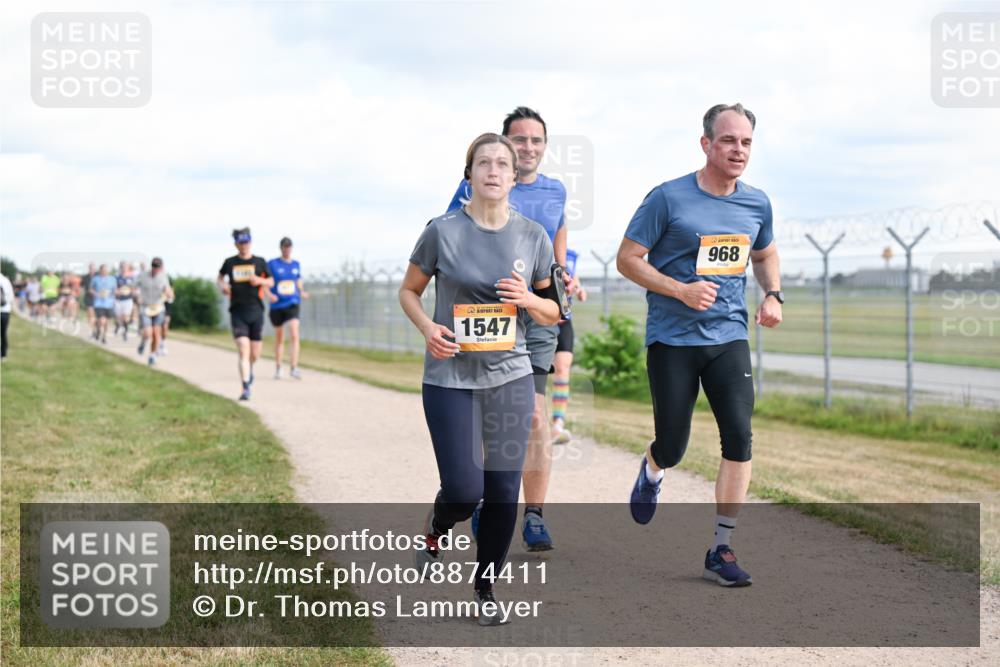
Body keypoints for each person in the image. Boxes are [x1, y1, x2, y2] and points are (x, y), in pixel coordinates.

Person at [617, 103, 783, 587]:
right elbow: (628, 259)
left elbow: (765, 252)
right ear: (706, 143)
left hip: (728, 335)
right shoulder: (667, 198)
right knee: (674, 445)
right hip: (672, 338)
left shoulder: (756, 203)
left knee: (739, 434)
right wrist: (680, 289)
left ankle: (722, 546)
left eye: (747, 142)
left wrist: (772, 292)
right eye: (729, 140)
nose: (738, 150)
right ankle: (653, 467)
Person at [400, 133, 560, 625]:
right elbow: (409, 291)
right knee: (465, 490)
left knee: (503, 489)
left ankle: (485, 585)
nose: (493, 170)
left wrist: (528, 300)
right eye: (483, 163)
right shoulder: (441, 231)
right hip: (450, 376)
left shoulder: (533, 235)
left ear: (515, 177)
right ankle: (438, 521)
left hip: (510, 374)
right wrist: (428, 327)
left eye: (502, 164)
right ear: (468, 175)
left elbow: (554, 312)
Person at [447, 106, 570, 552]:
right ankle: (488, 497)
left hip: (534, 314)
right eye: (520, 140)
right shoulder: (479, 183)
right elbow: (453, 238)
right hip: (485, 318)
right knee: (491, 417)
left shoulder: (556, 191)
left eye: (537, 140)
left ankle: (533, 514)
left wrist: (563, 280)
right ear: (504, 145)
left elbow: (557, 245)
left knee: (534, 414)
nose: (528, 148)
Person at [218, 228, 272, 400]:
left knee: (254, 354)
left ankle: (249, 370)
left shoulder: (260, 262)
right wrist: (224, 286)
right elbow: (219, 278)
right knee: (243, 349)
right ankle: (245, 386)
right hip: (238, 311)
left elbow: (271, 281)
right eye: (241, 242)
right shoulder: (230, 262)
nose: (244, 245)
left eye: (246, 242)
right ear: (236, 244)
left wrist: (260, 280)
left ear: (251, 242)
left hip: (256, 311)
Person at [551, 248, 587, 444]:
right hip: (538, 323)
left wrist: (580, 291)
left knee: (563, 370)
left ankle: (557, 423)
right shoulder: (537, 247)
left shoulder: (570, 259)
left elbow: (578, 286)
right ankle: (530, 423)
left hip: (564, 324)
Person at [267, 237, 309, 379]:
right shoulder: (272, 264)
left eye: (289, 247)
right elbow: (266, 281)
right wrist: (268, 294)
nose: (287, 249)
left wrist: (302, 291)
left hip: (292, 303)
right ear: (281, 248)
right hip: (277, 305)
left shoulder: (296, 264)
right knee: (280, 338)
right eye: (285, 247)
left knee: (294, 333)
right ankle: (278, 367)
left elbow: (298, 281)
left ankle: (294, 367)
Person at [136, 258, 174, 366]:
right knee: (148, 333)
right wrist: (137, 296)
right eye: (154, 266)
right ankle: (143, 343)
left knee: (156, 333)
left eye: (158, 267)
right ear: (151, 266)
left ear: (161, 267)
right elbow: (135, 287)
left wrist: (169, 293)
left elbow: (167, 289)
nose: (156, 269)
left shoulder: (163, 277)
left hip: (158, 308)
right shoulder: (143, 276)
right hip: (146, 307)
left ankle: (152, 356)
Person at [90, 265, 117, 344]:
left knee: (106, 322)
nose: (105, 272)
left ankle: (104, 337)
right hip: (98, 303)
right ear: (100, 271)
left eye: (106, 270)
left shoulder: (112, 279)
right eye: (103, 270)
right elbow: (91, 289)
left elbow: (115, 290)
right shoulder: (95, 279)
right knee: (101, 320)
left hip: (109, 303)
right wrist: (95, 293)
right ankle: (98, 330)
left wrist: (115, 294)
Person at [114, 262, 136, 341]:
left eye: (125, 267)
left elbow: (134, 288)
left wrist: (133, 291)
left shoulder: (131, 278)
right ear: (120, 268)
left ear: (128, 268)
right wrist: (117, 291)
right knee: (119, 318)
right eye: (122, 267)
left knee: (126, 317)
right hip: (119, 300)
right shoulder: (116, 277)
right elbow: (114, 288)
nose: (124, 268)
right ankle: (117, 326)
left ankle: (125, 333)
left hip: (127, 300)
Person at [159, 275, 173, 356]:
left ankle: (163, 345)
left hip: (166, 308)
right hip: (157, 308)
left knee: (164, 327)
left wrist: (168, 295)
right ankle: (158, 345)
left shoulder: (169, 288)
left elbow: (171, 298)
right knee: (157, 328)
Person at [0, 272, 13, 360]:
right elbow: (11, 297)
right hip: (5, 310)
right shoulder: (5, 280)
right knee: (3, 333)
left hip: (4, 310)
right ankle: (3, 355)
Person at [81, 264, 97, 332]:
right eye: (91, 269)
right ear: (89, 269)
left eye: (93, 269)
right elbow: (81, 286)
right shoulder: (85, 277)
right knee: (90, 313)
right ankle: (92, 329)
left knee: (96, 314)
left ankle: (95, 327)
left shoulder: (98, 276)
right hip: (88, 297)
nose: (92, 270)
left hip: (98, 298)